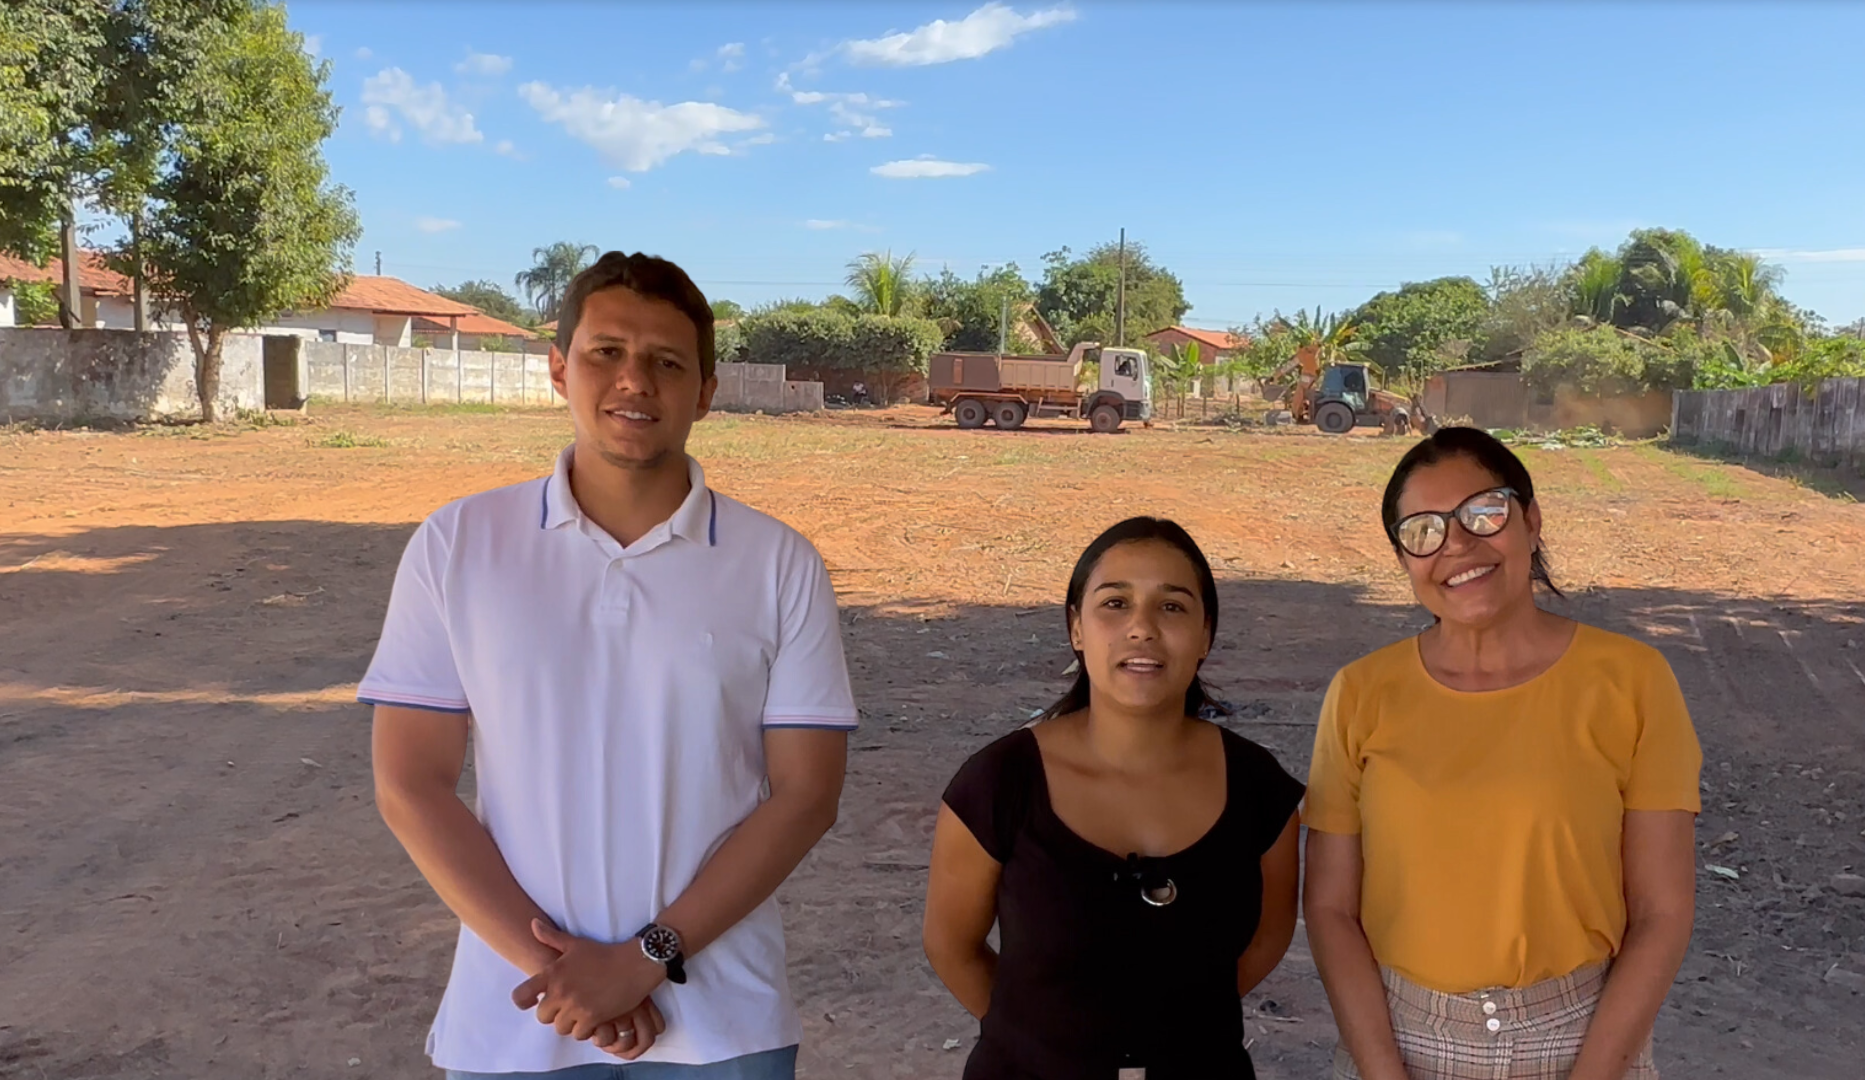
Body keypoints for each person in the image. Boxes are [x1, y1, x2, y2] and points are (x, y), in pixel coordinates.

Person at [365, 251, 857, 1079]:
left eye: (668, 362)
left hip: (723, 1026)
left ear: (706, 391)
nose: (635, 380)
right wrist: (565, 977)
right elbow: (410, 784)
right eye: (607, 353)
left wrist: (645, 958)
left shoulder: (778, 564)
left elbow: (806, 796)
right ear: (560, 368)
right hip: (516, 1023)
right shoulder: (458, 545)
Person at [1302, 426, 1701, 1080]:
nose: (1457, 544)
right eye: (1423, 530)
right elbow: (1330, 908)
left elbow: (1662, 912)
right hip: (1397, 1044)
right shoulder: (1361, 694)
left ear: (1531, 521)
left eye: (1484, 512)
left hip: (1585, 1044)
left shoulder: (1632, 682)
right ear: (1403, 560)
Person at [924, 517, 1305, 1080]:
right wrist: (1042, 1041)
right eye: (1115, 604)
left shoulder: (1258, 786)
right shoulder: (999, 783)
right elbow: (951, 946)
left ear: (1205, 635)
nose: (1142, 629)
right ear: (1076, 628)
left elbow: (1268, 936)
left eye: (1171, 607)